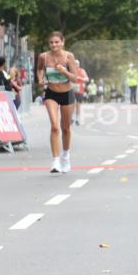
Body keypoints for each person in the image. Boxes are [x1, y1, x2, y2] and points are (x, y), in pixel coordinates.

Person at [37, 31, 78, 173]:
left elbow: (74, 78)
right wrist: (40, 79)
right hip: (51, 93)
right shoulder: (44, 56)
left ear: (62, 42)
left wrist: (64, 71)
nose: (54, 45)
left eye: (56, 42)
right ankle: (55, 161)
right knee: (55, 126)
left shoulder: (69, 56)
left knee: (65, 128)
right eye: (51, 42)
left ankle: (65, 156)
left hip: (67, 94)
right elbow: (39, 69)